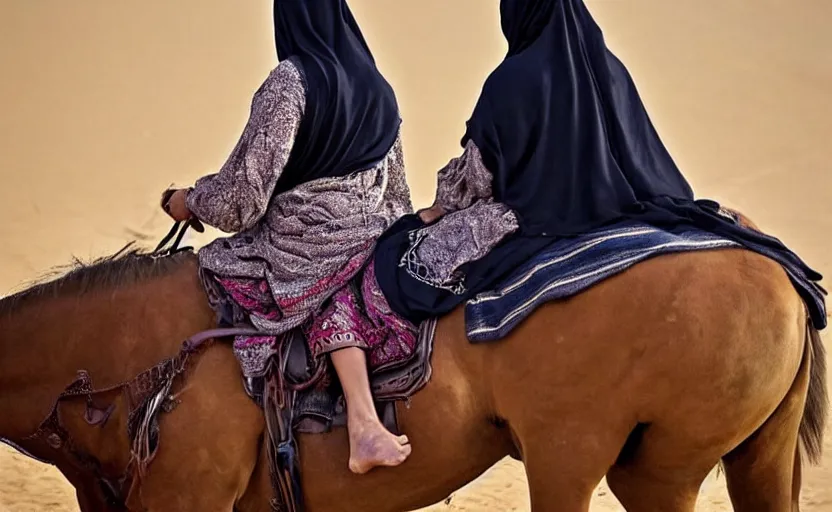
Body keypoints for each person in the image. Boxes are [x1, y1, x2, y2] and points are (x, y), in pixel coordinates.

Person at [369, 0, 823, 328]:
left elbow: (475, 177)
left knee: (403, 262)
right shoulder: (608, 66)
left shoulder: (511, 79)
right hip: (623, 202)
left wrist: (439, 208)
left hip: (537, 216)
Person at [161, 0, 413, 474]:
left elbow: (242, 200)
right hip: (375, 239)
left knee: (206, 282)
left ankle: (352, 424)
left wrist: (190, 199)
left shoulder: (290, 82)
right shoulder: (380, 89)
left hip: (299, 248)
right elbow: (398, 195)